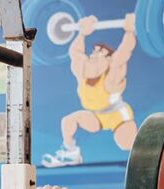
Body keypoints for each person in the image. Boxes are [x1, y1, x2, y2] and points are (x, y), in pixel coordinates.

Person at [41, 13, 138, 167]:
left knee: (127, 143)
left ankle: (151, 156)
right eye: (94, 51)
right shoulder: (83, 74)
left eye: (101, 53)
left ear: (109, 60)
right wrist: (82, 33)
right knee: (68, 121)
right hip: (96, 116)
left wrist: (130, 31)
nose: (94, 55)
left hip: (117, 115)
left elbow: (123, 54)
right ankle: (71, 153)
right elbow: (76, 54)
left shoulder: (111, 75)